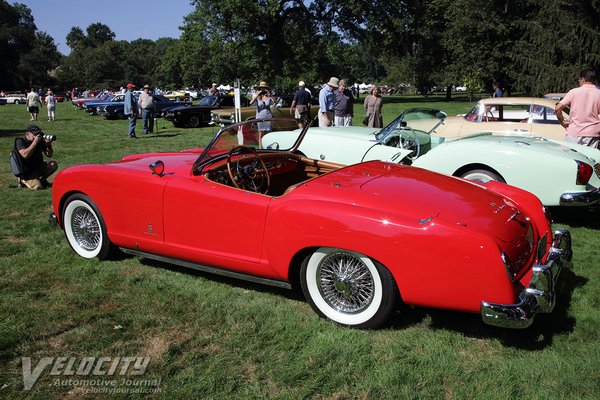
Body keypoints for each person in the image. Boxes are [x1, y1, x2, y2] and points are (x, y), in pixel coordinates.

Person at [555, 68, 600, 149]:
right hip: (592, 132)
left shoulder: (573, 92)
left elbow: (558, 108)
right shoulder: (598, 93)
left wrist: (562, 122)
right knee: (589, 159)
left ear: (583, 79)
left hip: (574, 132)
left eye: (579, 79)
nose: (579, 81)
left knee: (571, 158)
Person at [15, 124, 58, 190]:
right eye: (35, 134)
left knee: (53, 165)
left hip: (38, 167)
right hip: (27, 173)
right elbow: (25, 155)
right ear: (27, 134)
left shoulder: (39, 141)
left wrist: (48, 145)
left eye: (38, 134)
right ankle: (23, 181)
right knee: (38, 187)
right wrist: (34, 143)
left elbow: (49, 155)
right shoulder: (20, 141)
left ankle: (42, 180)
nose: (37, 136)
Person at [250, 81, 273, 146]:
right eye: (262, 88)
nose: (263, 89)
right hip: (260, 117)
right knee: (260, 134)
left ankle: (268, 147)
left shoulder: (268, 96)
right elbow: (251, 103)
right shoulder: (257, 96)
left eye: (264, 88)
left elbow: (275, 101)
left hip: (268, 116)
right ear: (259, 88)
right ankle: (261, 148)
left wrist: (270, 95)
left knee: (268, 134)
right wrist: (257, 95)